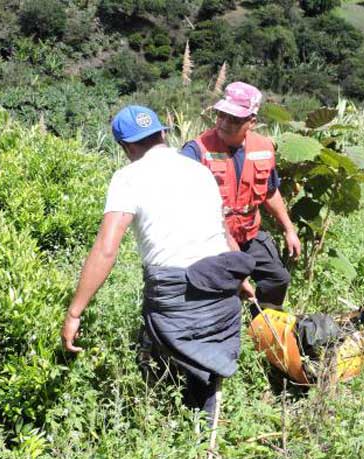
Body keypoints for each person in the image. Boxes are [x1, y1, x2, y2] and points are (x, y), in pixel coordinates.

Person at [61, 105, 255, 421]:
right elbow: (221, 231)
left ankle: (165, 420)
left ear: (126, 147)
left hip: (175, 296)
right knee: (199, 371)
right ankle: (199, 427)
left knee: (161, 354)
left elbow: (106, 250)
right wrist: (240, 278)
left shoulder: (128, 178)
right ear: (163, 134)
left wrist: (74, 312)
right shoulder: (200, 170)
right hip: (221, 287)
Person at [181, 82, 300, 315]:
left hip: (248, 231)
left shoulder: (264, 148)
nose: (224, 123)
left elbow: (269, 190)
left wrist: (289, 228)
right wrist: (236, 268)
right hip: (211, 238)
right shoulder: (196, 151)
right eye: (221, 115)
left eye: (234, 119)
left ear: (251, 122)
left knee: (278, 279)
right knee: (226, 289)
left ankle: (262, 328)